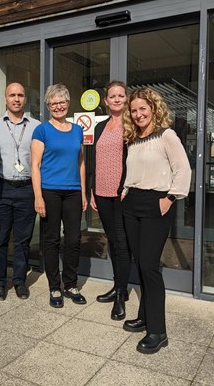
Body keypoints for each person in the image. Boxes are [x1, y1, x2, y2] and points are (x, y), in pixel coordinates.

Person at [121, 87, 191, 354]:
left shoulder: (167, 135)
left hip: (157, 203)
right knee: (139, 262)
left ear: (153, 109)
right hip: (132, 203)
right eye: (134, 110)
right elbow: (133, 170)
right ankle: (144, 316)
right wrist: (125, 191)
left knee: (150, 266)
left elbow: (183, 169)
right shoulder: (133, 139)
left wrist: (170, 198)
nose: (138, 114)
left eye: (143, 109)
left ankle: (158, 331)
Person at [31, 84, 88, 308]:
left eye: (61, 102)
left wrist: (83, 192)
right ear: (48, 106)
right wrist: (38, 197)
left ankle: (70, 284)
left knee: (74, 239)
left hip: (73, 191)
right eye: (53, 103)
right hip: (50, 191)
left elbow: (81, 163)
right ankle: (54, 287)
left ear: (68, 103)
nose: (58, 106)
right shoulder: (42, 131)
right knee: (51, 240)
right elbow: (35, 165)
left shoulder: (77, 130)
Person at [0, 82, 40, 300]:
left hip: (26, 189)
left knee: (22, 239)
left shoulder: (37, 127)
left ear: (25, 99)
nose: (16, 99)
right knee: (0, 238)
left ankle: (19, 280)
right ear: (5, 99)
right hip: (2, 187)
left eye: (20, 95)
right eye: (12, 95)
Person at [90, 81, 131, 320]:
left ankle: (121, 294)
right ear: (105, 101)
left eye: (121, 96)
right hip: (102, 193)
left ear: (126, 99)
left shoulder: (131, 125)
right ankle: (118, 287)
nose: (116, 99)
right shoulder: (100, 127)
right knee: (112, 242)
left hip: (123, 194)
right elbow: (94, 160)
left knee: (121, 242)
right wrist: (93, 190)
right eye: (112, 96)